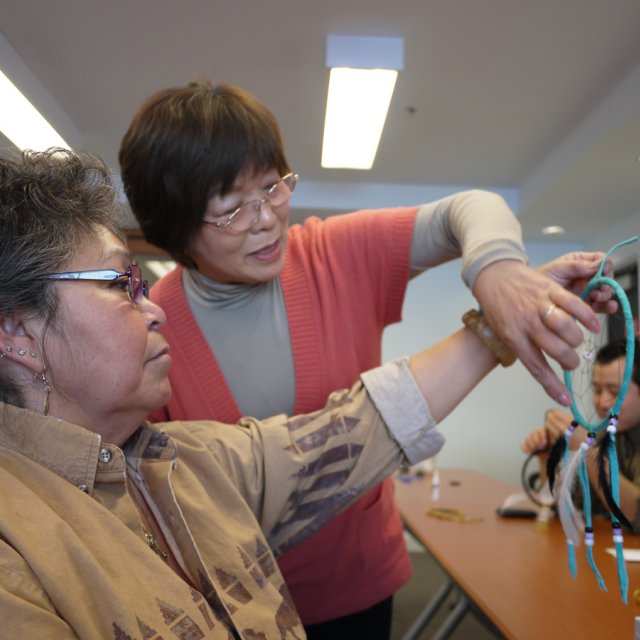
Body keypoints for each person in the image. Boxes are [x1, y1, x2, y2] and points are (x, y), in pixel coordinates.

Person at [0, 148, 608, 638]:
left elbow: (359, 426)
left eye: (270, 189)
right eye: (121, 284)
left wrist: (505, 309)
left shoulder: (189, 461)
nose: (150, 310)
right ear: (18, 334)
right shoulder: (18, 562)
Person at [521, 339, 640, 531]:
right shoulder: (606, 434)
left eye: (614, 391)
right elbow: (565, 506)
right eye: (597, 390)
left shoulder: (597, 438)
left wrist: (588, 449)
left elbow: (635, 515)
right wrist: (547, 459)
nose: (602, 402)